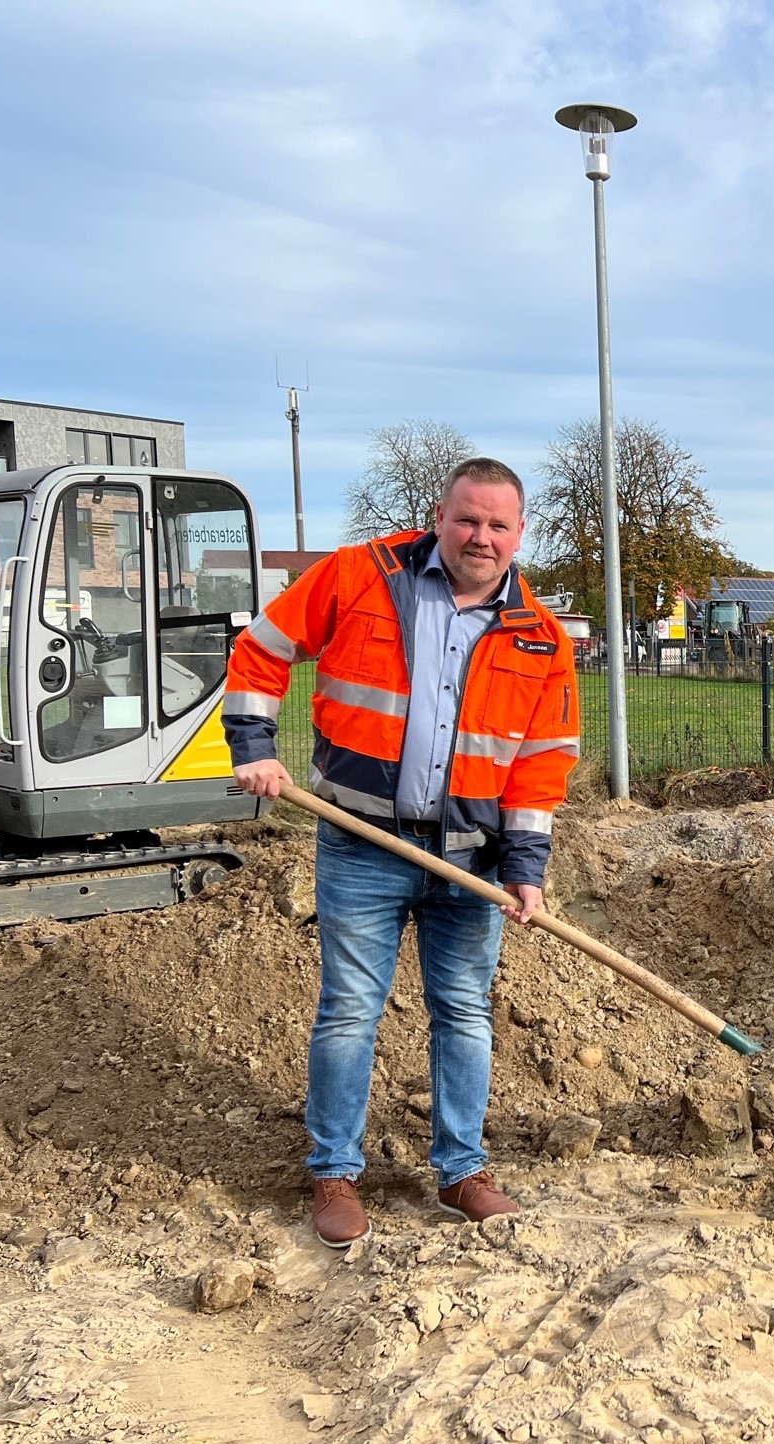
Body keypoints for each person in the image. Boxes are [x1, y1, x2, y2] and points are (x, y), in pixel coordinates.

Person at [223, 458, 580, 1245]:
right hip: (362, 842)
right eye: (467, 519)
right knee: (350, 1009)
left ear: (521, 535)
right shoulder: (359, 576)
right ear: (439, 515)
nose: (479, 537)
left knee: (464, 1012)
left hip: (472, 862)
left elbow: (542, 760)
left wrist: (525, 870)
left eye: (497, 525)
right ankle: (334, 1174)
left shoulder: (540, 636)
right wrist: (255, 743)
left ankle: (461, 1172)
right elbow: (262, 648)